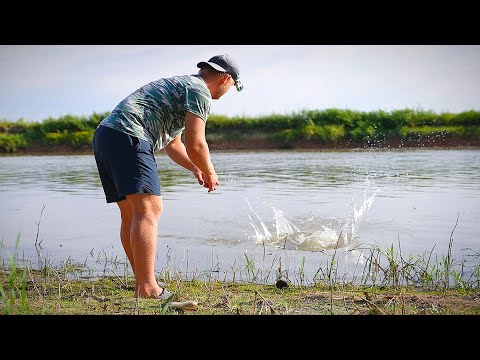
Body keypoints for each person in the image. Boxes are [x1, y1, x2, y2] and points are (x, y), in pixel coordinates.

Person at [92, 54, 243, 300]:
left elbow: (173, 143)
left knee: (131, 212)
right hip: (130, 135)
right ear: (226, 79)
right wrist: (211, 171)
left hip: (107, 136)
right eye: (232, 87)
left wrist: (196, 169)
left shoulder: (182, 86)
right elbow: (196, 144)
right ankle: (148, 287)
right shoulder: (200, 91)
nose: (228, 91)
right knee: (150, 210)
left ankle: (142, 282)